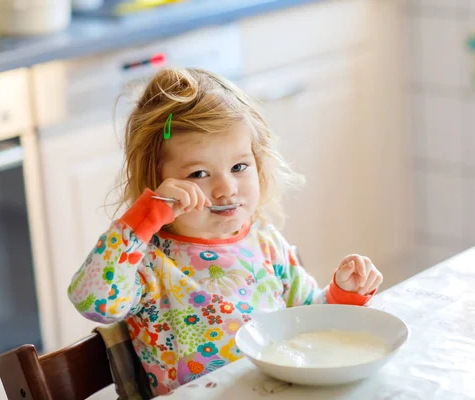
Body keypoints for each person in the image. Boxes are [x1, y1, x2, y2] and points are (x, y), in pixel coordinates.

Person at [67, 67, 383, 395]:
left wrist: (343, 294)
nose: (225, 189)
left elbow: (309, 321)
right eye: (200, 173)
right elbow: (93, 301)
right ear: (158, 184)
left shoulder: (265, 243)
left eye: (238, 167)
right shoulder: (149, 263)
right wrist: (143, 218)